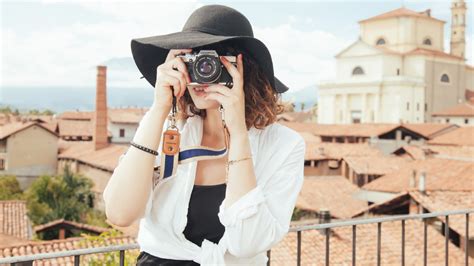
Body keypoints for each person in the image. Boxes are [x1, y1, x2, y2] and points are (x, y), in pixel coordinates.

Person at [103, 4, 306, 265]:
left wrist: (238, 133)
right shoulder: (168, 130)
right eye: (192, 60)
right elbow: (120, 214)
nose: (201, 73)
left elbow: (248, 244)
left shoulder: (284, 145)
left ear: (244, 69)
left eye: (213, 61)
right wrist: (160, 107)